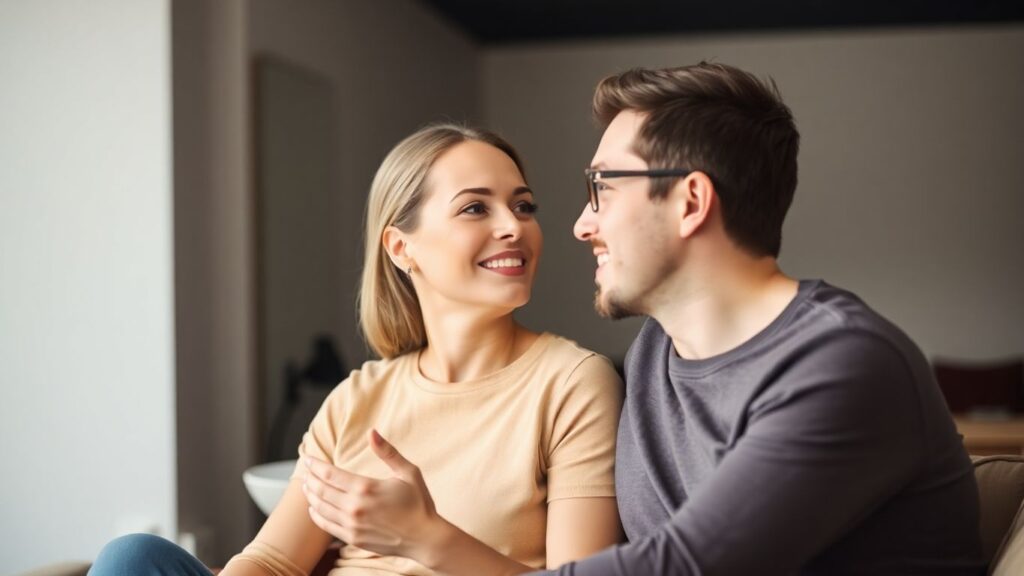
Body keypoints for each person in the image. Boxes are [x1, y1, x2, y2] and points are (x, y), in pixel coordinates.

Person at [89, 124, 624, 575]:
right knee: (133, 558)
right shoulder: (359, 397)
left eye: (523, 206)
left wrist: (428, 538)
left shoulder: (573, 383)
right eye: (475, 208)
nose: (513, 227)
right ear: (401, 247)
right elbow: (274, 560)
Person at [535, 63, 984, 575]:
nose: (582, 225)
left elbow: (685, 566)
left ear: (690, 202)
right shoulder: (654, 353)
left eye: (602, 186)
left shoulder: (843, 363)